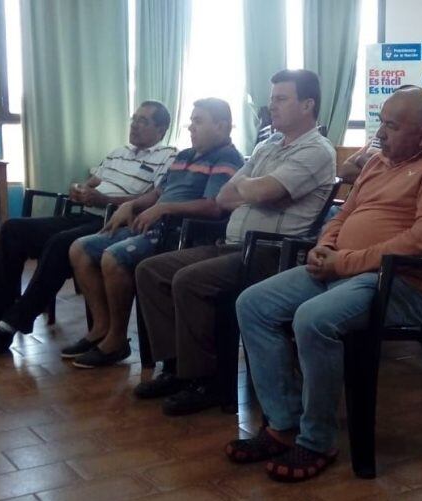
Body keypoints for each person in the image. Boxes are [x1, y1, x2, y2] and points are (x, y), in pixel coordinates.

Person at [226, 87, 422, 483]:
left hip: (399, 284)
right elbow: (344, 214)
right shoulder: (378, 163)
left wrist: (344, 262)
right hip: (343, 271)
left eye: (391, 126)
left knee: (312, 319)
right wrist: (324, 246)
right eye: (381, 122)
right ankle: (283, 420)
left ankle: (318, 439)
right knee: (252, 304)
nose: (382, 133)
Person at [132, 69, 336, 413]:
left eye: (281, 99)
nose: (273, 106)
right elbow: (225, 198)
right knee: (151, 270)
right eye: (272, 99)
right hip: (232, 244)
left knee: (188, 280)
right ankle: (176, 366)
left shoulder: (317, 150)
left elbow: (262, 190)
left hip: (273, 253)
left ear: (307, 104)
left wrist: (254, 188)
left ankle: (205, 381)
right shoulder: (268, 146)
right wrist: (255, 189)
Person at [0, 101, 176, 357]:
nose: (134, 124)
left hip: (112, 222)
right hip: (84, 215)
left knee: (60, 244)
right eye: (133, 118)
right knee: (13, 229)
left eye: (143, 121)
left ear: (161, 128)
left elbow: (154, 198)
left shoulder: (168, 156)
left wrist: (105, 200)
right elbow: (92, 182)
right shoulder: (118, 152)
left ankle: (10, 325)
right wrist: (79, 189)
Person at [63, 99, 243, 368]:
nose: (190, 127)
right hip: (153, 225)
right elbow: (157, 193)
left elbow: (213, 206)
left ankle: (116, 340)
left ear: (222, 126)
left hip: (181, 232)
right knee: (80, 248)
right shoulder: (184, 156)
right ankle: (101, 327)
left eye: (198, 121)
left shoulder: (226, 158)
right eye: (191, 120)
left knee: (113, 257)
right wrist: (131, 205)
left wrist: (164, 209)